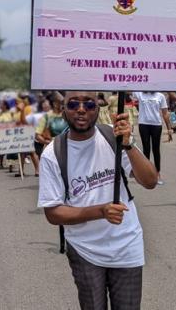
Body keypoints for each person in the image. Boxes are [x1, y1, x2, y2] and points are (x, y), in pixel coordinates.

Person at [38, 91, 158, 310]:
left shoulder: (114, 137)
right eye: (73, 104)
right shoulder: (52, 154)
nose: (81, 109)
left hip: (126, 246)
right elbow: (53, 213)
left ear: (98, 108)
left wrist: (129, 145)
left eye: (89, 104)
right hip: (85, 251)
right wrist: (100, 211)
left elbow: (150, 181)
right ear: (63, 108)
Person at [133, 92, 173, 185]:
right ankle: (145, 174)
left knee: (156, 149)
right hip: (143, 124)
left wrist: (169, 129)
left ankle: (157, 174)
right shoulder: (140, 94)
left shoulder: (160, 96)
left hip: (156, 125)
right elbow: (128, 88)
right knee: (146, 149)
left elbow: (165, 113)